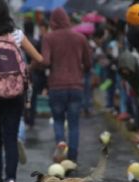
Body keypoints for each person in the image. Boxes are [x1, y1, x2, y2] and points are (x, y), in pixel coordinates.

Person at [0, 0, 43, 182]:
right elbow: (39, 58)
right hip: (15, 93)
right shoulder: (16, 34)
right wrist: (26, 71)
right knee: (11, 137)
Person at [41, 7, 91, 164]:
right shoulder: (80, 37)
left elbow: (46, 61)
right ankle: (73, 157)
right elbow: (88, 63)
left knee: (58, 120)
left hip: (56, 86)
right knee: (74, 123)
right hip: (76, 86)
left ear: (53, 21)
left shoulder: (49, 38)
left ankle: (61, 142)